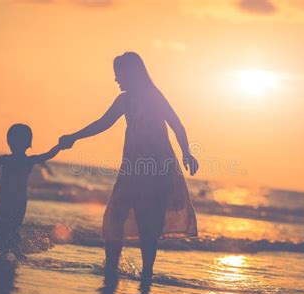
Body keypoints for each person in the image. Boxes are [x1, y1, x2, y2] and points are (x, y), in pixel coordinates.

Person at [59, 52, 199, 280]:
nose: (116, 79)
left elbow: (177, 125)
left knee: (148, 224)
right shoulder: (124, 100)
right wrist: (74, 137)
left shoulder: (154, 96)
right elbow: (103, 123)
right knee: (116, 215)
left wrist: (187, 153)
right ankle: (111, 268)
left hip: (156, 169)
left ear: (132, 73)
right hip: (131, 169)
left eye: (119, 73)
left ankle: (146, 274)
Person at [0, 123, 64, 258]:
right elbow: (48, 155)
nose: (14, 143)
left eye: (15, 140)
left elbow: (48, 155)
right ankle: (11, 253)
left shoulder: (15, 160)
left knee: (7, 229)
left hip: (11, 201)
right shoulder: (19, 160)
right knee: (6, 229)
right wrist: (59, 146)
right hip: (13, 200)